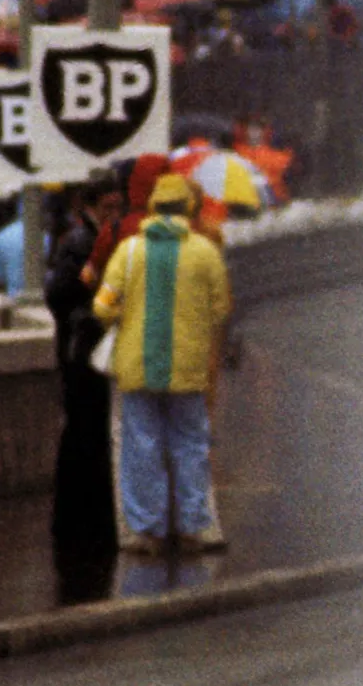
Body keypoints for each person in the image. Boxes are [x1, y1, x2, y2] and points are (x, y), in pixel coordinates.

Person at [93, 172, 233, 556]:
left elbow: (102, 305)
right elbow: (221, 308)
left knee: (141, 445)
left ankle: (147, 531)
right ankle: (192, 527)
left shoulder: (130, 251)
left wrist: (125, 317)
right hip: (188, 368)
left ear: (152, 207)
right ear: (188, 208)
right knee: (189, 445)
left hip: (136, 366)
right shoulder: (205, 251)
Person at [43, 181, 124, 551]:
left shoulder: (93, 239)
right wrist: (93, 294)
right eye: (107, 205)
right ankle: (80, 522)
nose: (114, 212)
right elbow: (61, 292)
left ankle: (81, 519)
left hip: (85, 347)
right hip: (81, 348)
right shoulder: (80, 242)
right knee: (82, 431)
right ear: (89, 206)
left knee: (87, 431)